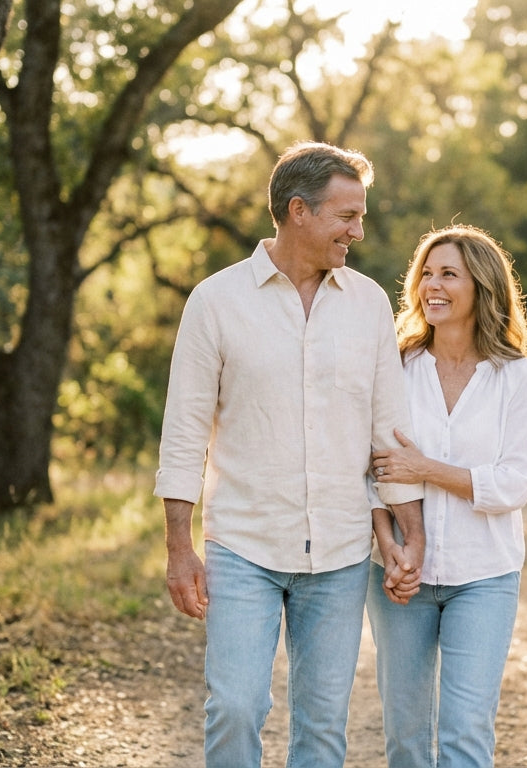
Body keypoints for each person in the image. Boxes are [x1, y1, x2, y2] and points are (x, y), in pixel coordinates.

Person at [154, 141, 425, 768]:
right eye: (347, 216)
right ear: (297, 211)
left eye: (360, 216)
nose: (358, 231)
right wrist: (177, 545)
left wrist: (409, 533)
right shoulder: (215, 302)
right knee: (235, 708)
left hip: (338, 549)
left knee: (323, 727)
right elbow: (184, 430)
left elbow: (391, 432)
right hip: (243, 544)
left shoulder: (367, 305)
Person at [367, 224, 527, 768]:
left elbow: (514, 482)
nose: (431, 286)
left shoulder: (515, 376)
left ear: (482, 287)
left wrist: (427, 468)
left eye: (449, 274)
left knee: (466, 733)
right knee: (405, 736)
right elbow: (369, 467)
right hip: (398, 574)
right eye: (426, 273)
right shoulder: (395, 366)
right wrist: (388, 545)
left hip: (484, 576)